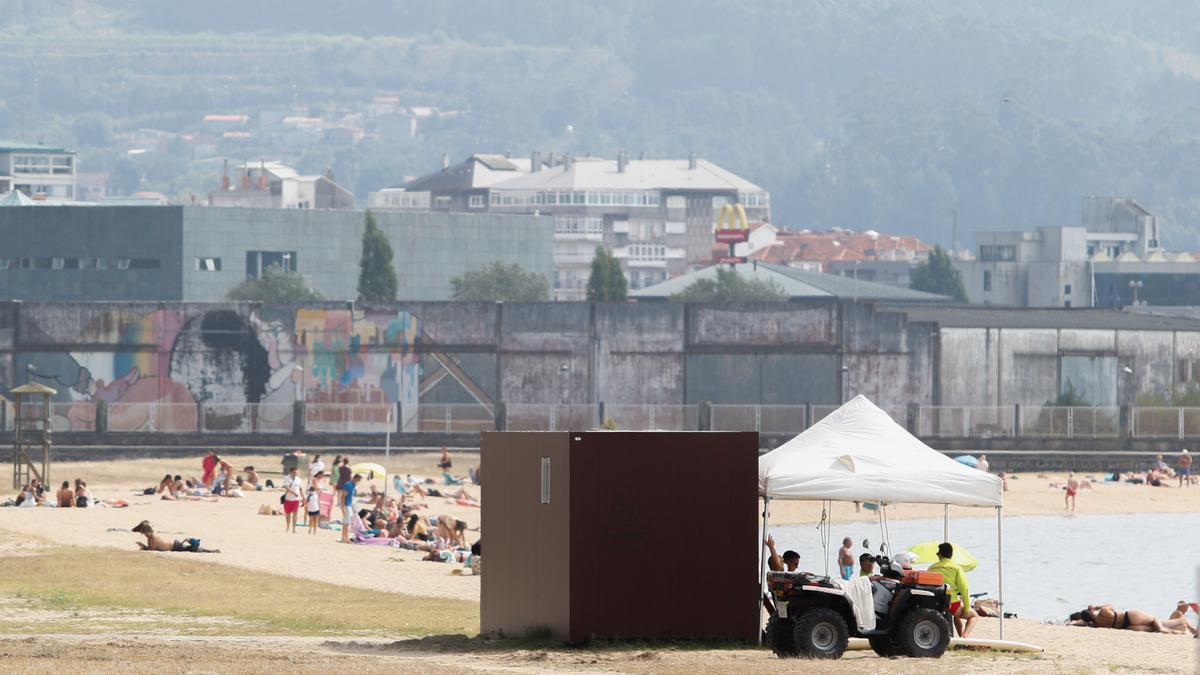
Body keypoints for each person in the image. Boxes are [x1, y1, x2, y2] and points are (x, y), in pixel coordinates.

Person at [929, 542, 978, 638]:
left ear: (940, 554)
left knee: (956, 615)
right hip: (951, 604)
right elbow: (964, 589)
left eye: (938, 554)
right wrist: (967, 608)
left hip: (935, 603)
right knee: (974, 616)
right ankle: (964, 637)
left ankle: (960, 637)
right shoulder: (956, 568)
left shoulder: (931, 568)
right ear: (951, 555)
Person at [1069, 604, 1196, 635]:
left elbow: (1081, 623)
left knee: (1151, 628)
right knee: (1153, 619)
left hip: (1127, 627)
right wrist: (1096, 606)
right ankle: (1163, 628)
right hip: (1129, 616)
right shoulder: (1102, 612)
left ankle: (1178, 631)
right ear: (1092, 612)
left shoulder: (1095, 626)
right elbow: (1111, 605)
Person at [131, 520, 220, 553]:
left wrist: (143, 546)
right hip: (175, 545)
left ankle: (213, 551)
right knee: (191, 548)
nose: (144, 534)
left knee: (193, 549)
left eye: (144, 533)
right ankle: (212, 551)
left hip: (175, 546)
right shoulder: (151, 538)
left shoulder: (152, 539)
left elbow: (152, 549)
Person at [340, 473, 363, 544]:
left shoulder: (353, 486)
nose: (359, 482)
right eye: (358, 480)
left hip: (349, 505)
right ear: (355, 478)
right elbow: (343, 496)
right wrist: (343, 508)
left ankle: (344, 538)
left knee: (346, 522)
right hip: (346, 505)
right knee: (347, 523)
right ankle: (345, 538)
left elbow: (351, 497)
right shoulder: (348, 485)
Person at [281, 466, 304, 533]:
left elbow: (301, 489)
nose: (296, 473)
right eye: (294, 472)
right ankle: (288, 527)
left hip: (296, 500)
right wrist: (294, 493)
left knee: (295, 514)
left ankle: (294, 529)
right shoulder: (286, 478)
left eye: (296, 472)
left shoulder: (299, 479)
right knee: (288, 514)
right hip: (288, 499)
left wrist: (303, 498)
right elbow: (286, 487)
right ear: (291, 472)